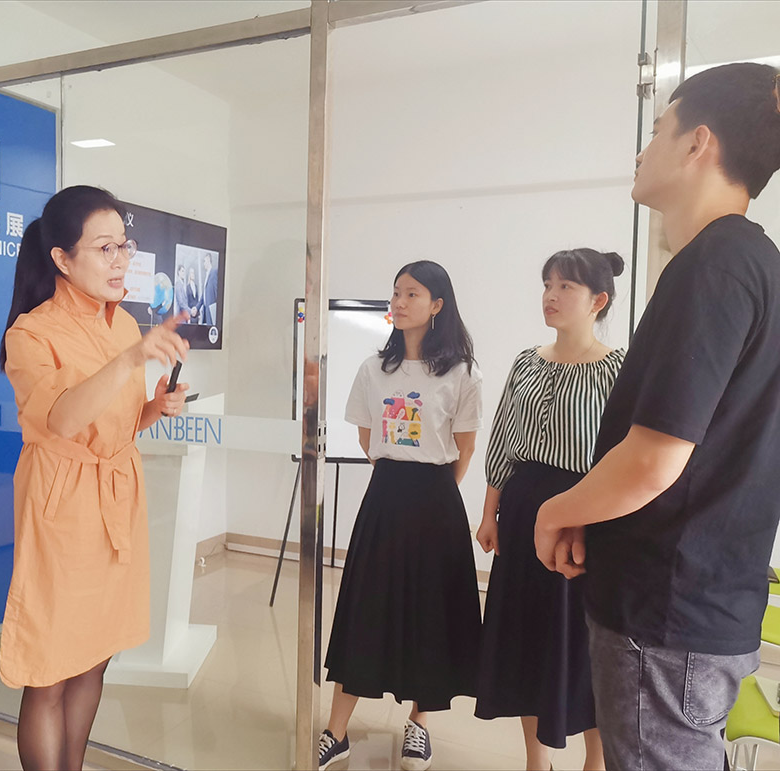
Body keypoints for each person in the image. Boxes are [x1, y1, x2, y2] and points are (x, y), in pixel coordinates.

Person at [534, 63, 780, 770]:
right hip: (700, 604)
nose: (642, 152)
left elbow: (653, 460)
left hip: (669, 616)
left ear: (698, 142)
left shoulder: (713, 267)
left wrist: (554, 510)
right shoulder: (753, 262)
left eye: (656, 130)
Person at [0, 185, 190, 771]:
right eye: (104, 248)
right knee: (50, 668)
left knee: (94, 657)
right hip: (62, 510)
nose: (120, 260)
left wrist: (154, 408)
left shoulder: (123, 325)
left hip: (116, 501)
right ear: (61, 258)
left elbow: (115, 423)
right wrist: (131, 360)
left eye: (123, 246)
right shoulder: (30, 334)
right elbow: (62, 418)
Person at [318, 260, 483, 771]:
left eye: (412, 293)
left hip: (436, 501)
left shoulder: (461, 372)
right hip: (386, 497)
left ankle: (419, 724)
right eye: (396, 293)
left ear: (437, 305)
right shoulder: (374, 369)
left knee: (430, 614)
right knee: (365, 609)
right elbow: (367, 436)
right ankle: (336, 731)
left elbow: (464, 448)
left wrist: (431, 489)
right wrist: (398, 477)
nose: (399, 302)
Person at [475, 249, 626, 771]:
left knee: (587, 644)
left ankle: (596, 762)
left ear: (598, 301)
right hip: (523, 509)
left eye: (565, 287)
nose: (551, 296)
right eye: (547, 285)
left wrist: (592, 514)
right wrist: (490, 512)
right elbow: (502, 440)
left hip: (588, 514)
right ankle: (535, 761)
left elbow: (625, 454)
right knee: (528, 636)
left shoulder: (618, 369)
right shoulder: (526, 362)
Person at [200, 252, 218, 326]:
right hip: (206, 311)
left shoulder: (214, 273)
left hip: (212, 310)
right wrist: (197, 307)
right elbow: (204, 295)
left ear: (208, 259)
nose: (203, 263)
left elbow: (216, 292)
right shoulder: (206, 275)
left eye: (204, 261)